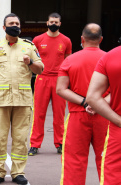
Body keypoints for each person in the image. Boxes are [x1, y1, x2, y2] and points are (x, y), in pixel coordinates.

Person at [0, 13, 44, 185]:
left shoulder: (29, 47)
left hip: (23, 101)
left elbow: (40, 69)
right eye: (11, 23)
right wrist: (0, 84)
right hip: (1, 100)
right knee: (0, 138)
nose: (15, 25)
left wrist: (30, 62)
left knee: (21, 138)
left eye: (17, 23)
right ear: (4, 27)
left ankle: (18, 172)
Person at [56, 23, 109, 185]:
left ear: (82, 39)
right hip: (106, 116)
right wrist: (98, 104)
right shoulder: (110, 58)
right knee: (107, 160)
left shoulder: (70, 60)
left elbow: (61, 89)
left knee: (74, 161)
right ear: (100, 39)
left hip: (78, 115)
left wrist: (85, 102)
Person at [28, 12, 72, 155]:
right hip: (42, 78)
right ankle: (35, 144)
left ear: (60, 24)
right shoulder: (38, 40)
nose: (53, 24)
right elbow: (32, 60)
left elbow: (68, 62)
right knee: (39, 113)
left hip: (59, 80)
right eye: (51, 22)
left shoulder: (66, 41)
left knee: (59, 114)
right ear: (47, 23)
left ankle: (59, 143)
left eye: (56, 22)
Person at [86, 46, 121, 185]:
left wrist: (118, 121)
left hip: (118, 130)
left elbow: (92, 97)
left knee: (114, 177)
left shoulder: (111, 56)